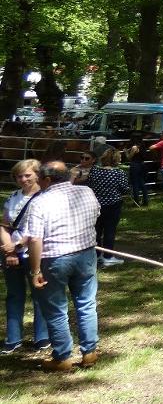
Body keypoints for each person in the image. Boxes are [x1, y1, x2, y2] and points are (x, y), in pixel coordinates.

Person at [13, 161, 101, 371]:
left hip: (55, 259)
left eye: (40, 179)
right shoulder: (86, 191)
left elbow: (35, 239)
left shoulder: (41, 201)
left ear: (47, 180)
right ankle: (89, 352)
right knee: (87, 303)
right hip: (86, 254)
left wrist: (35, 271)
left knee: (55, 309)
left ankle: (62, 357)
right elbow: (97, 214)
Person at [1, 159, 48, 354]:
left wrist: (19, 244)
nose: (23, 179)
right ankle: (13, 338)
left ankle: (42, 337)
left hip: (34, 252)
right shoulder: (12, 197)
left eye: (27, 175)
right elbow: (4, 224)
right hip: (11, 252)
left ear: (38, 175)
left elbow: (40, 229)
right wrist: (9, 249)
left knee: (40, 295)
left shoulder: (45, 198)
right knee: (14, 295)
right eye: (19, 176)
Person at [84, 147, 129, 267]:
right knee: (110, 231)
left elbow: (89, 184)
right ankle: (108, 257)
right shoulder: (119, 173)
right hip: (113, 205)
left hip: (96, 204)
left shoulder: (94, 170)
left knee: (97, 230)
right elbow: (125, 189)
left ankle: (96, 255)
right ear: (116, 159)